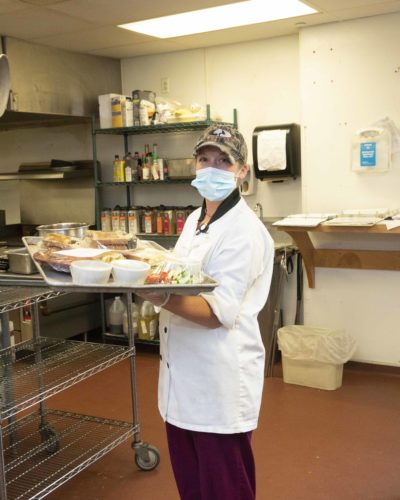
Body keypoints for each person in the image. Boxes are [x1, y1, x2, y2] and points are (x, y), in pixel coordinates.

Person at [139, 124, 274, 500]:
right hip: (183, 378)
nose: (212, 168)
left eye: (224, 161)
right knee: (193, 486)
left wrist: (152, 293)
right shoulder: (195, 221)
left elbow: (217, 312)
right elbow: (184, 278)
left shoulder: (244, 231)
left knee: (225, 489)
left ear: (242, 171)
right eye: (204, 159)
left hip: (218, 382)